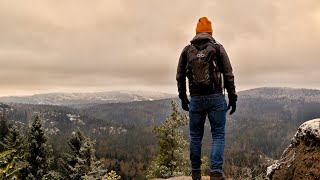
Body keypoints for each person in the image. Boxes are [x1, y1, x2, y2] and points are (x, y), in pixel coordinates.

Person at [176, 17, 237, 180]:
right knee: (218, 134)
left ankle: (195, 172)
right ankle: (216, 172)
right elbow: (228, 74)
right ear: (210, 32)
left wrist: (183, 97)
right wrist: (233, 97)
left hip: (195, 99)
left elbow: (180, 76)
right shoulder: (217, 48)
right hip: (215, 98)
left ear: (196, 32)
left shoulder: (187, 50)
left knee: (195, 136)